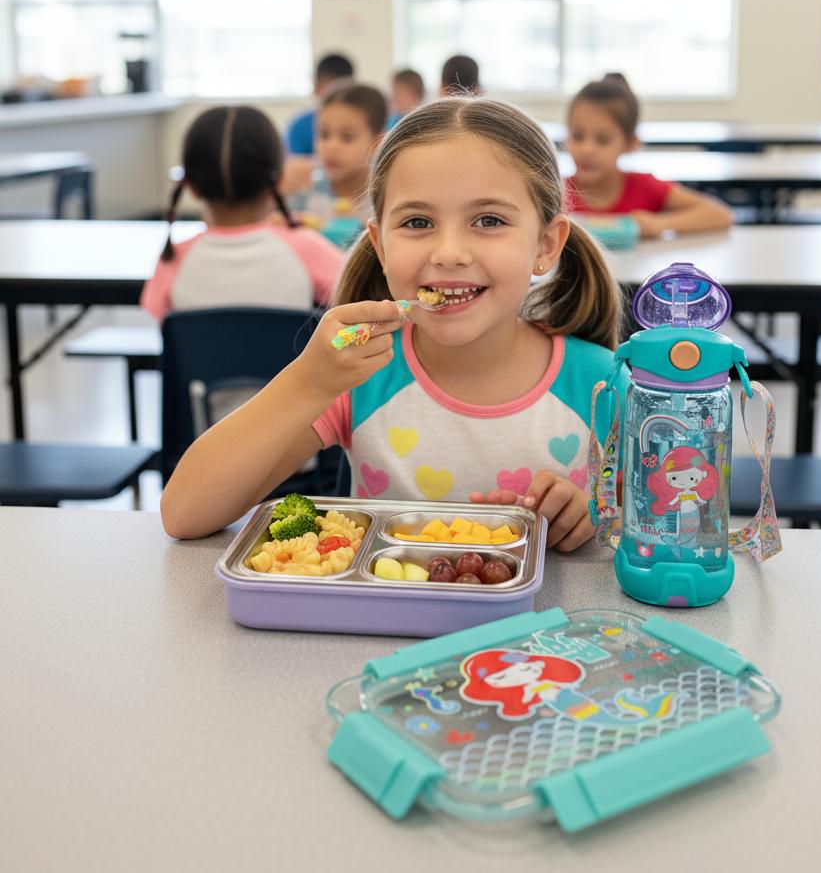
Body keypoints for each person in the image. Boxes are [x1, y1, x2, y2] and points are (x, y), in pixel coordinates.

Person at [161, 98, 627, 550]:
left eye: (488, 220)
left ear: (546, 245)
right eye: (418, 222)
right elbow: (185, 513)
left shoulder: (602, 385)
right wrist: (308, 381)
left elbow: (660, 514)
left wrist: (600, 514)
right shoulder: (360, 375)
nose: (449, 253)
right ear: (381, 246)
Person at [141, 105, 343, 322]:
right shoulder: (306, 248)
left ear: (190, 186)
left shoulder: (173, 259)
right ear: (278, 180)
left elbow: (153, 322)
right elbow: (357, 291)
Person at [563, 74, 733, 236]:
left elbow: (720, 214)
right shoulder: (557, 191)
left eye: (603, 140)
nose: (587, 149)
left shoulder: (644, 187)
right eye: (577, 136)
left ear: (631, 143)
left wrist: (660, 224)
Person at [289, 82, 387, 248]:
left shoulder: (383, 200)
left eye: (347, 137)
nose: (331, 146)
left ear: (376, 143)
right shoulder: (305, 190)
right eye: (324, 135)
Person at [284, 52, 354, 156]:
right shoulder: (300, 126)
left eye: (347, 137)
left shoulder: (360, 123)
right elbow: (294, 163)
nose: (333, 147)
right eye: (324, 134)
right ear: (316, 86)